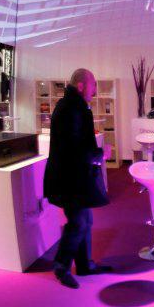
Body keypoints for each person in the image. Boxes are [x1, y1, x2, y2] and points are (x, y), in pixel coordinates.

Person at [43, 68, 112, 289]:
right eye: (93, 84)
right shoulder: (70, 109)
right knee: (78, 222)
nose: (95, 89)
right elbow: (72, 149)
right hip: (69, 179)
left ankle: (84, 265)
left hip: (75, 177)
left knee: (85, 221)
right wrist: (100, 154)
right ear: (81, 86)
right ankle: (61, 266)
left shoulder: (74, 107)